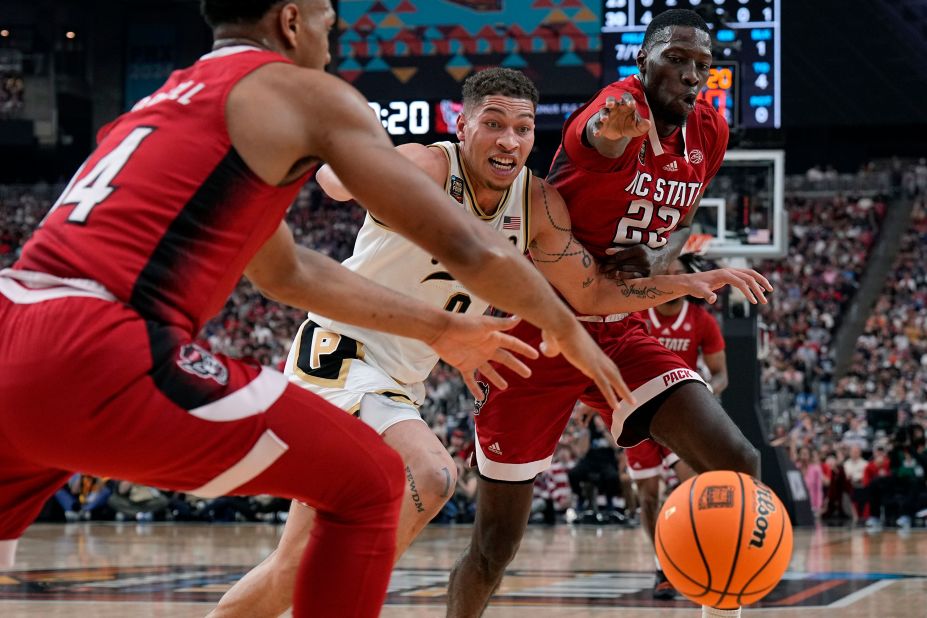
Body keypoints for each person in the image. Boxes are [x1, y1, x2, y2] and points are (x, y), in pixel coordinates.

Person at [0, 1, 640, 616]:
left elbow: (285, 271)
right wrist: (564, 327)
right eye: (330, 25)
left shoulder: (171, 101)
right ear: (291, 21)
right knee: (390, 485)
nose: (332, 45)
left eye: (522, 127)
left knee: (292, 567)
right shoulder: (300, 93)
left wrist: (445, 328)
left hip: (14, 319)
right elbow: (462, 244)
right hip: (112, 341)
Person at [209, 66, 770, 617]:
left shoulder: (538, 205)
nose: (508, 140)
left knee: (290, 569)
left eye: (522, 128)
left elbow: (593, 292)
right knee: (431, 476)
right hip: (341, 353)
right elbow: (334, 179)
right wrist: (346, 168)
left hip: (400, 381)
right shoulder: (428, 166)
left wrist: (684, 281)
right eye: (493, 124)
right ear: (462, 126)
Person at [446, 10, 766, 618]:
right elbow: (601, 133)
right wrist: (614, 127)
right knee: (494, 546)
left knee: (738, 460)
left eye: (702, 64)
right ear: (643, 60)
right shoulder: (617, 107)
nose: (691, 74)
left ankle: (718, 600)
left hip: (616, 328)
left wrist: (659, 252)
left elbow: (679, 218)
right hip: (533, 335)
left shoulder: (710, 133)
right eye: (675, 58)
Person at [624, 255, 728, 599]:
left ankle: (693, 556)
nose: (672, 277)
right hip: (637, 414)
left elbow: (721, 372)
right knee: (648, 498)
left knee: (691, 487)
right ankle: (662, 567)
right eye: (666, 271)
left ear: (690, 279)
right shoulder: (638, 313)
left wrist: (705, 393)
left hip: (678, 414)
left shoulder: (701, 321)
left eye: (678, 272)